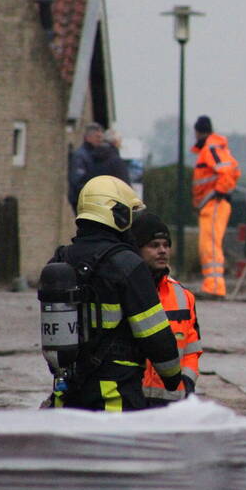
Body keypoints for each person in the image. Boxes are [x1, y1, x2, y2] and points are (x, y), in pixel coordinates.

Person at [48, 175, 182, 411]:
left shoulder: (60, 260)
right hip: (114, 395)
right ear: (118, 214)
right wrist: (172, 376)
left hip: (67, 393)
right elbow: (155, 334)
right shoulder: (128, 264)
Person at [133, 211, 202, 407]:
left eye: (166, 245)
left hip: (171, 400)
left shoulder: (183, 296)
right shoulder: (128, 292)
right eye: (154, 246)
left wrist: (187, 382)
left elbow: (192, 348)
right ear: (137, 250)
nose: (162, 251)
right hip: (133, 398)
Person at [190, 115, 241, 299]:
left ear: (197, 131)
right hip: (212, 204)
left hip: (214, 203)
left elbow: (229, 170)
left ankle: (214, 288)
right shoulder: (213, 148)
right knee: (209, 245)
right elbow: (232, 169)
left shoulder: (211, 149)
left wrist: (219, 191)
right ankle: (213, 286)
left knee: (210, 245)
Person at [67, 123, 105, 212]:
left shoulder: (94, 155)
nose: (100, 140)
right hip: (81, 199)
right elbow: (77, 179)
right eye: (97, 137)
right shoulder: (81, 155)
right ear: (88, 137)